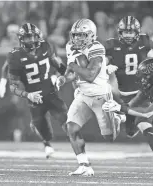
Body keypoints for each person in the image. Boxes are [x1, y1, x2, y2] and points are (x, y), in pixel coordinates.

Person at [56, 19, 126, 176]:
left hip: (101, 96)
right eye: (75, 35)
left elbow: (90, 75)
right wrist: (63, 78)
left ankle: (117, 117)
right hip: (83, 95)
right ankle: (84, 165)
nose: (77, 39)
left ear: (91, 35)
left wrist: (74, 66)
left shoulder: (96, 48)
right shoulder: (70, 46)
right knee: (71, 128)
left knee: (109, 137)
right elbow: (71, 72)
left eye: (82, 35)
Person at [104, 16, 153, 173]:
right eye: (125, 32)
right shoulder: (112, 46)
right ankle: (124, 117)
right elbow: (100, 67)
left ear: (137, 33)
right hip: (125, 96)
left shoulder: (144, 43)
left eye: (131, 32)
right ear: (120, 32)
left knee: (144, 123)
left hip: (143, 92)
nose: (127, 35)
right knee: (131, 132)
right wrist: (105, 69)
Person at [7, 23, 68, 158]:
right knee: (44, 130)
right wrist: (27, 95)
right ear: (21, 39)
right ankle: (46, 143)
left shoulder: (46, 46)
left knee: (66, 119)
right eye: (28, 38)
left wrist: (62, 76)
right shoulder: (15, 56)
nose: (32, 41)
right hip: (33, 95)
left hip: (50, 91)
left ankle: (78, 149)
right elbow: (13, 87)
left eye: (34, 37)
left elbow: (59, 66)